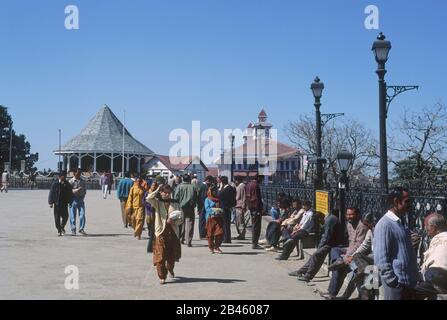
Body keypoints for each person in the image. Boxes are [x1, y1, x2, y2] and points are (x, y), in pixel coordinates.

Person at [374, 187, 418, 300]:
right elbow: (381, 259)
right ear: (396, 202)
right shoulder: (385, 224)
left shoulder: (401, 222)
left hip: (407, 284)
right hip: (397, 286)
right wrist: (394, 283)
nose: (410, 204)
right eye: (407, 201)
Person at [320, 207, 369, 300]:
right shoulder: (349, 224)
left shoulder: (362, 226)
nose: (349, 216)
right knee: (335, 250)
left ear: (357, 215)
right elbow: (351, 242)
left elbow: (359, 245)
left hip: (361, 254)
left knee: (343, 269)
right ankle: (338, 261)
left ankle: (333, 293)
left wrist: (347, 256)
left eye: (351, 214)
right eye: (347, 214)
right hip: (350, 250)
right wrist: (345, 256)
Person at [290, 209, 344, 283]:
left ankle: (308, 276)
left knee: (317, 255)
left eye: (319, 222)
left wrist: (319, 247)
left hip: (334, 243)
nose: (321, 224)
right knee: (314, 255)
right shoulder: (328, 218)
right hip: (330, 242)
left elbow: (327, 236)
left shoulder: (329, 220)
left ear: (320, 218)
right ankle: (301, 271)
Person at [147, 184, 183, 285]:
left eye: (168, 193)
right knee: (160, 256)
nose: (167, 194)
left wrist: (174, 221)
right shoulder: (157, 202)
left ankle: (170, 268)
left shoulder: (175, 203)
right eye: (164, 192)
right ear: (161, 193)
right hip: (160, 233)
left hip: (172, 233)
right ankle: (162, 276)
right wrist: (157, 189)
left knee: (172, 257)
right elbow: (148, 198)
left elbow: (181, 217)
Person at [415, 213, 447, 299]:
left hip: (438, 279)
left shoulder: (440, 240)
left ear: (434, 227)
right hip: (438, 277)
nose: (425, 229)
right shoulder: (441, 239)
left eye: (426, 226)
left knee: (411, 290)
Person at [174, 174, 198, 247]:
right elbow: (196, 197)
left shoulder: (179, 186)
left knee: (181, 223)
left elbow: (176, 197)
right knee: (190, 224)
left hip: (181, 207)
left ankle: (181, 239)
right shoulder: (193, 187)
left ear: (183, 179)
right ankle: (189, 241)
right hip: (190, 207)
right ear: (189, 179)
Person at [48, 171, 73, 237]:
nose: (64, 177)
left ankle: (62, 226)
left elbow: (70, 194)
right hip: (57, 204)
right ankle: (59, 230)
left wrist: (70, 202)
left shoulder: (67, 184)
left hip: (64, 204)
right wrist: (50, 202)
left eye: (65, 176)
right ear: (60, 176)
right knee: (57, 218)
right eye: (63, 176)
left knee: (66, 217)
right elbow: (51, 193)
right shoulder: (55, 184)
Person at [125, 175, 147, 240]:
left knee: (139, 220)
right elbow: (129, 198)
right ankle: (135, 230)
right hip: (133, 207)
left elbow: (146, 197)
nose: (138, 182)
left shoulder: (143, 189)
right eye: (137, 181)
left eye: (140, 181)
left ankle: (138, 234)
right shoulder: (133, 188)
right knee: (133, 220)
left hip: (141, 207)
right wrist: (129, 206)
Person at [204, 185, 225, 254]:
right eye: (213, 191)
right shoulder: (207, 199)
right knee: (210, 234)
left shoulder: (219, 199)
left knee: (220, 233)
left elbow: (222, 207)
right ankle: (211, 247)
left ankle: (217, 246)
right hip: (210, 218)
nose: (215, 192)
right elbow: (207, 209)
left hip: (219, 218)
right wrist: (214, 211)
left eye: (216, 191)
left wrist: (221, 211)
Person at [245, 175, 264, 249]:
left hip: (251, 207)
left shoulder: (248, 184)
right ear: (258, 178)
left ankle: (254, 242)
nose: (261, 181)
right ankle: (255, 243)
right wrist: (259, 209)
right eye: (261, 179)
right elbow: (257, 198)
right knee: (257, 226)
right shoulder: (256, 185)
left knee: (254, 225)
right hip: (256, 208)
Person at [218, 176, 237, 244]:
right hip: (227, 207)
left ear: (222, 182)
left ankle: (226, 238)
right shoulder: (230, 188)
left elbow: (219, 195)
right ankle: (226, 237)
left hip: (225, 207)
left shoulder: (226, 189)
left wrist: (220, 188)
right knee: (226, 223)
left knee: (225, 223)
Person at [68, 169, 87, 236]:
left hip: (80, 199)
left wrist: (83, 196)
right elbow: (69, 191)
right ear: (74, 173)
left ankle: (81, 229)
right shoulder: (70, 181)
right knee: (72, 216)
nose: (79, 174)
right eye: (78, 173)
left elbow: (85, 190)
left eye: (80, 173)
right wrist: (76, 190)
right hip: (73, 199)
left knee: (82, 215)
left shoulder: (82, 181)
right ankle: (73, 229)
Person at [145, 182, 158, 253]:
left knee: (153, 229)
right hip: (149, 211)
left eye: (155, 185)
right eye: (153, 185)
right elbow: (144, 200)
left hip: (155, 213)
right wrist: (147, 204)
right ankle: (149, 231)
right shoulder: (147, 193)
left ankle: (152, 247)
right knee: (149, 223)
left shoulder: (157, 194)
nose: (154, 186)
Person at [233, 176, 247, 240]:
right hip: (238, 206)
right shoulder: (239, 186)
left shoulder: (242, 186)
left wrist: (243, 206)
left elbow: (244, 197)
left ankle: (242, 235)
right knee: (238, 221)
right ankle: (240, 234)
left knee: (240, 221)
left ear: (237, 180)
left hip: (240, 206)